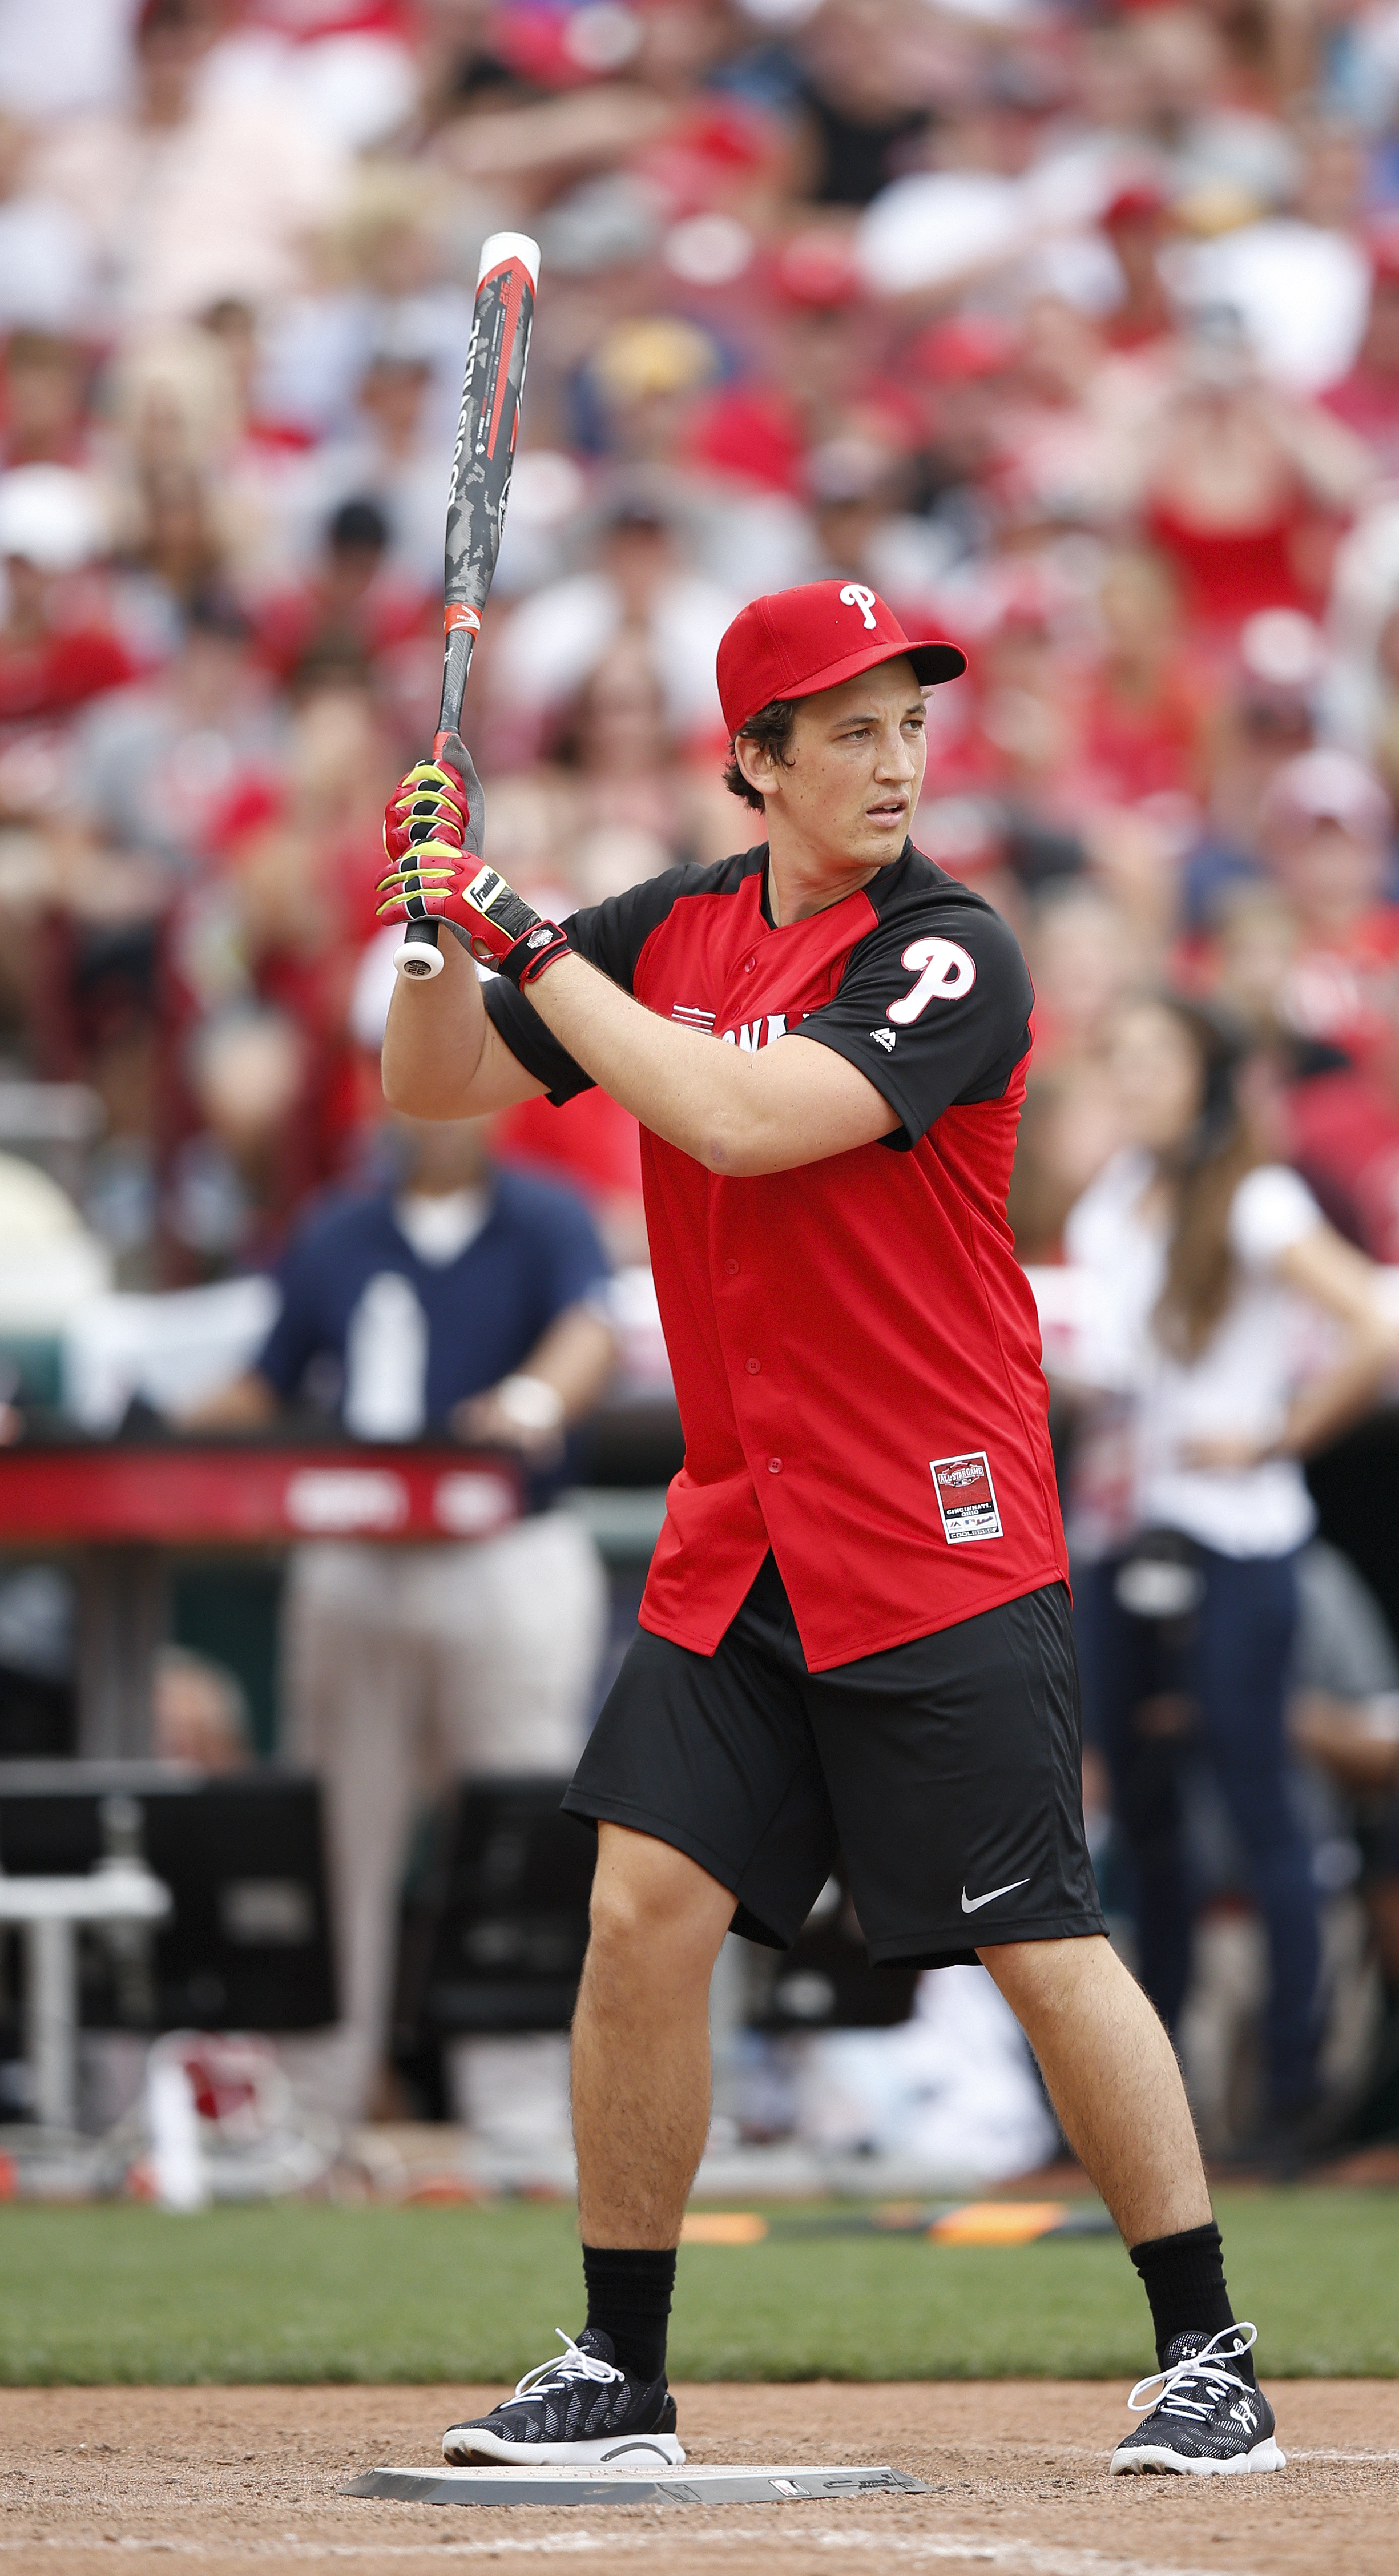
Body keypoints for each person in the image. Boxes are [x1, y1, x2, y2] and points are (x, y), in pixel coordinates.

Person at [377, 578, 1286, 2480]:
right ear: (755, 763)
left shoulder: (954, 950)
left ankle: (1203, 2345)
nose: (893, 759)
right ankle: (618, 2365)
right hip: (744, 1524)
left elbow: (732, 1116)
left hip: (930, 1520)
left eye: (907, 721)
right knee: (639, 1913)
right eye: (846, 727)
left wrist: (520, 929)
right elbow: (435, 1084)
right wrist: (426, 941)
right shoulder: (680, 921)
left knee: (1036, 1939)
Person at [180, 1113, 615, 2144]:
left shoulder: (547, 1216)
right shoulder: (336, 1228)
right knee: (337, 1837)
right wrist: (151, 1425)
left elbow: (587, 1334)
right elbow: (266, 1378)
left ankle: (522, 2120)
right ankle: (313, 2115)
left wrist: (530, 1399)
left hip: (506, 1543)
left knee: (519, 1828)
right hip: (362, 1548)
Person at [1065, 992, 1399, 2136]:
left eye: (1158, 1055)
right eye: (1123, 1057)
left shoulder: (1254, 1197)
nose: (1138, 1079)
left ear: (1205, 1073)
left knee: (1257, 1798)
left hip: (1233, 1531)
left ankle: (1295, 2094)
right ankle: (1158, 2098)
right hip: (1122, 1529)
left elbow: (1376, 1330)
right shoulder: (1113, 1200)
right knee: (1145, 1813)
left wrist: (1270, 1435)